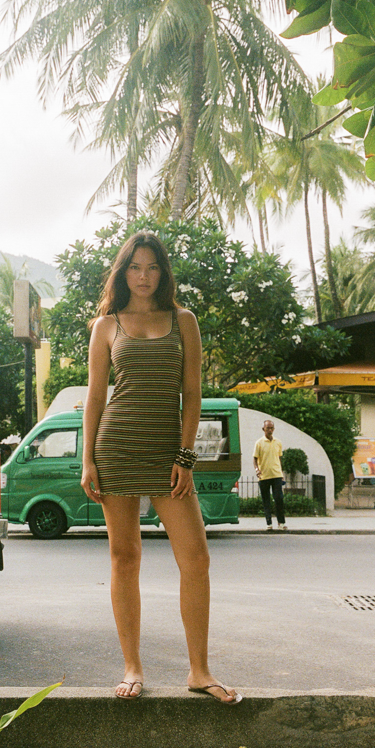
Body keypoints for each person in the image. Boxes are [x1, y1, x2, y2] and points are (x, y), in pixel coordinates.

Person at [81, 232, 241, 705]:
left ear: (163, 273)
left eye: (152, 267)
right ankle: (132, 666)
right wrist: (87, 459)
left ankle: (199, 670)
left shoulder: (183, 321)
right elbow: (95, 396)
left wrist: (185, 457)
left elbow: (192, 394)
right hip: (116, 448)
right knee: (124, 557)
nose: (144, 276)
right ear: (123, 272)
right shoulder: (106, 326)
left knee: (196, 558)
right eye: (135, 267)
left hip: (168, 453)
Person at [253, 419, 287, 531]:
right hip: (264, 475)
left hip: (276, 474)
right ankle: (269, 523)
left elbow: (279, 458)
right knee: (266, 500)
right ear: (263, 429)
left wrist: (281, 472)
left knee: (279, 498)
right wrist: (257, 469)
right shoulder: (259, 443)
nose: (270, 430)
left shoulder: (278, 442)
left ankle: (281, 522)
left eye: (272, 428)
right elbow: (255, 458)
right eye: (268, 428)